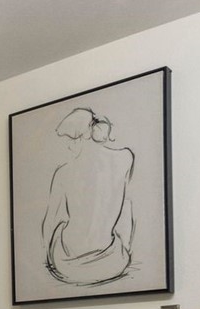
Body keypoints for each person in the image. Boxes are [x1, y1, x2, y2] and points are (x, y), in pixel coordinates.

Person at [39, 106, 136, 287]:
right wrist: (126, 247)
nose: (68, 146)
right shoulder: (125, 158)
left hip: (68, 265)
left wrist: (48, 256)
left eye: (70, 139)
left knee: (59, 226)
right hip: (112, 261)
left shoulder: (63, 172)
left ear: (82, 136)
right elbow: (127, 206)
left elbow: (50, 222)